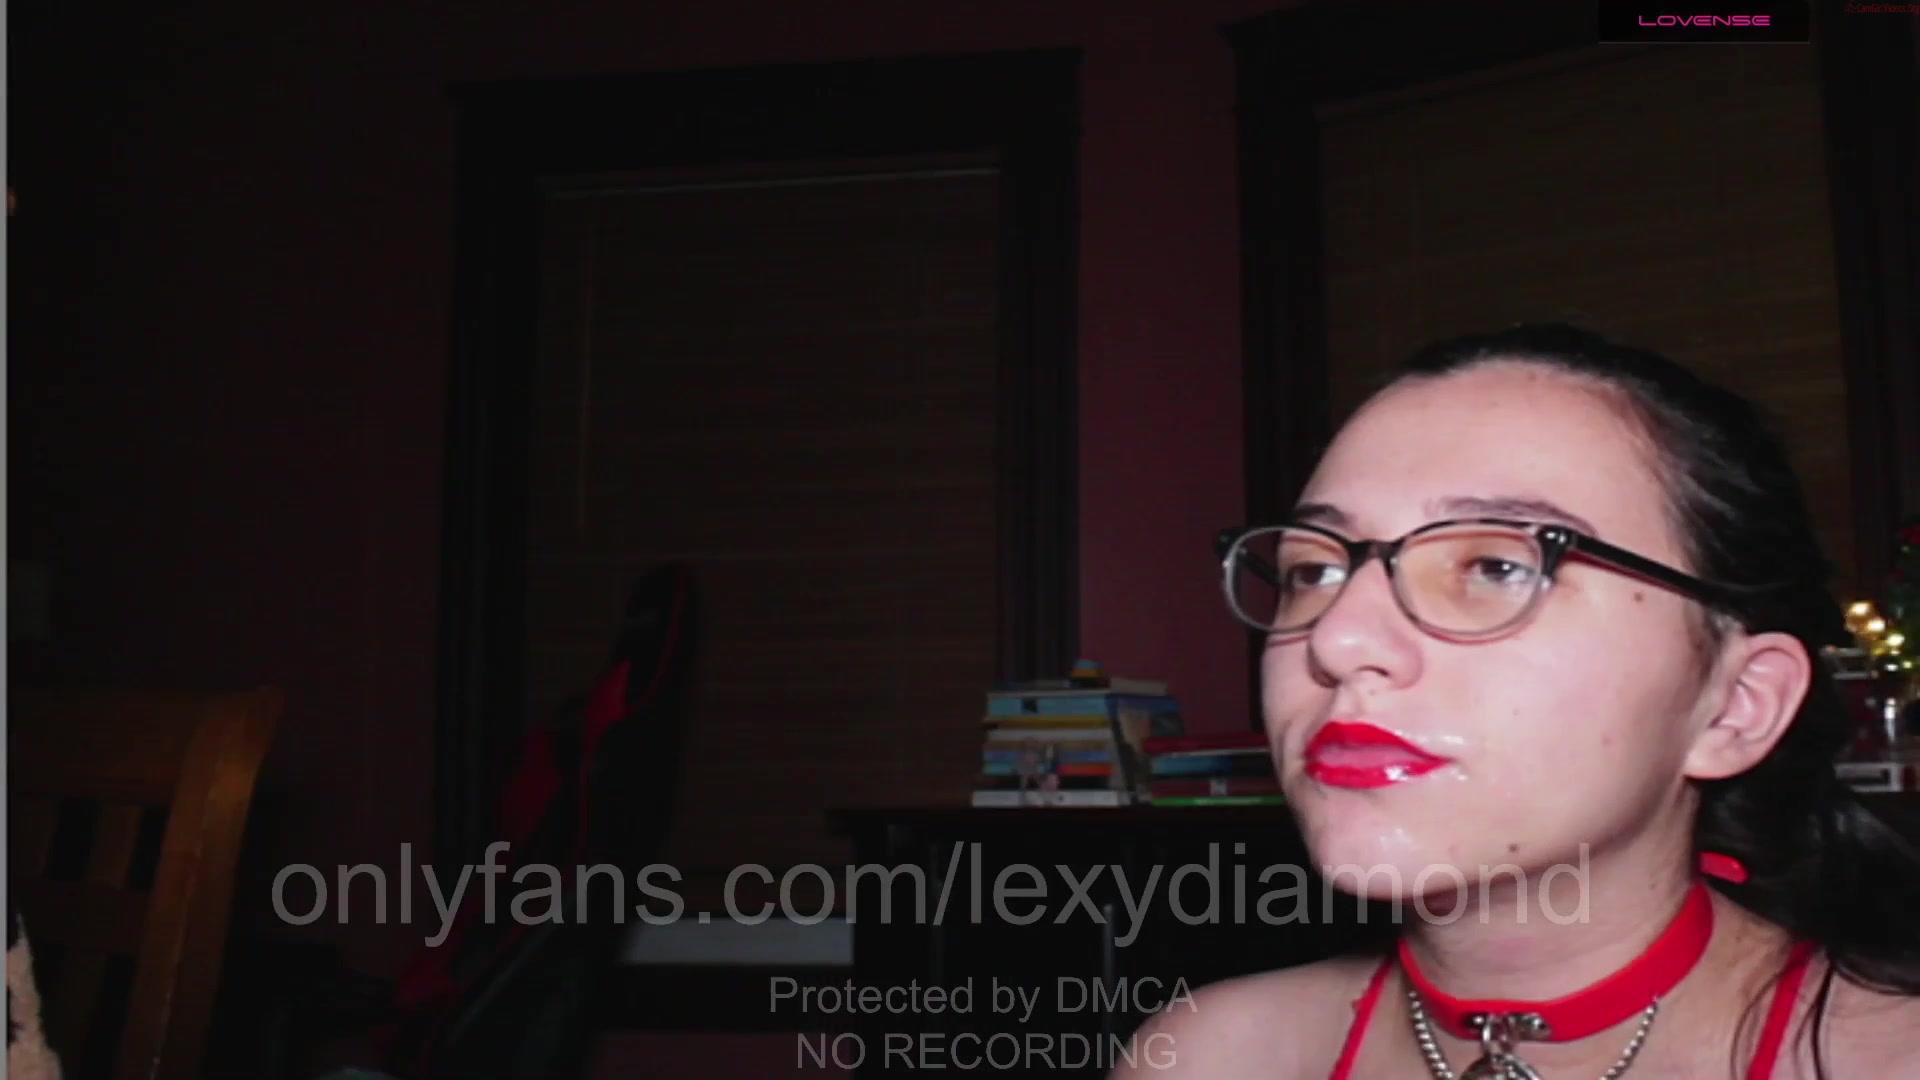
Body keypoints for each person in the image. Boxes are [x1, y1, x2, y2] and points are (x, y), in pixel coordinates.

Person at [1120, 324, 1920, 1079]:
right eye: (1313, 571)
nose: (1337, 638)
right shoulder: (1208, 1058)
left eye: (1497, 567)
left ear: (1734, 705)